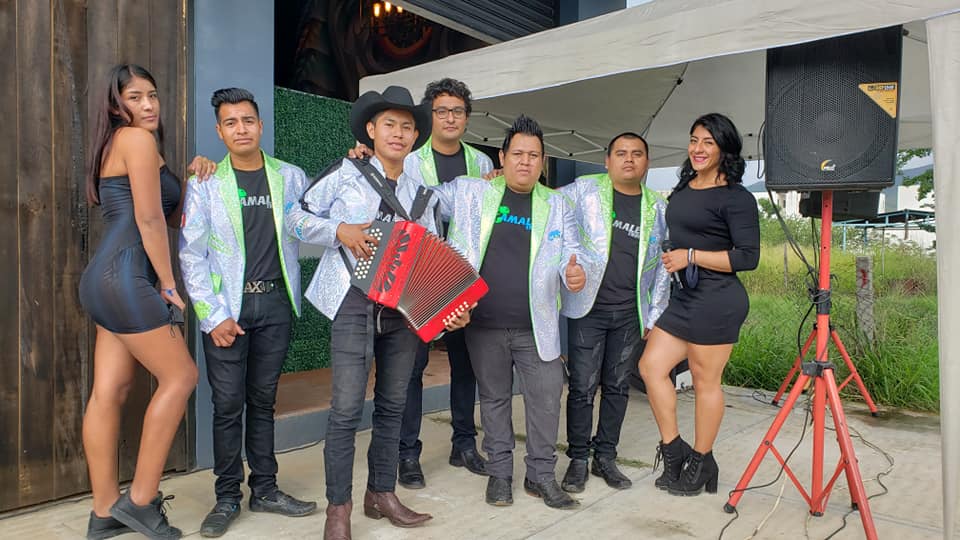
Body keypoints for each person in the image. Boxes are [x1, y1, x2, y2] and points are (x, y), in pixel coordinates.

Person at [288, 85, 469, 540]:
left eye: (407, 127)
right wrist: (339, 230)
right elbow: (295, 217)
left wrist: (449, 308)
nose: (399, 133)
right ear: (371, 129)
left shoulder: (423, 196)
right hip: (352, 302)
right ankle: (339, 508)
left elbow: (430, 258)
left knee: (393, 404)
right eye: (390, 124)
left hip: (402, 312)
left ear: (415, 137)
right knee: (346, 408)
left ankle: (381, 494)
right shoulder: (345, 172)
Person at [428, 115, 590, 510]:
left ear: (543, 161)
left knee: (546, 400)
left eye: (533, 155)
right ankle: (500, 474)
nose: (525, 162)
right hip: (483, 324)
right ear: (502, 157)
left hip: (537, 326)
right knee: (494, 399)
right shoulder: (472, 192)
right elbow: (418, 196)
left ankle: (541, 476)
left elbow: (574, 250)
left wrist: (576, 271)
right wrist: (373, 161)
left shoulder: (557, 204)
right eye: (518, 153)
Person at [179, 88, 318, 537]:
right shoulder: (205, 183)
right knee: (227, 405)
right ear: (220, 131)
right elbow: (191, 254)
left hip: (275, 303)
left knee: (263, 400)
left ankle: (266, 489)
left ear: (260, 125)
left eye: (248, 120)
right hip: (228, 311)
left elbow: (317, 220)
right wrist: (212, 315)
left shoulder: (290, 177)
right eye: (231, 122)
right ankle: (226, 497)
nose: (241, 129)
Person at [78, 64, 208, 540]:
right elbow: (150, 220)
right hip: (127, 278)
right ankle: (140, 501)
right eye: (135, 97)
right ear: (116, 105)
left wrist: (193, 177)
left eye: (152, 94)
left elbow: (173, 215)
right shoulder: (135, 140)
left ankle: (104, 512)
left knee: (109, 391)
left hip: (106, 279)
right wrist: (169, 284)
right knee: (181, 375)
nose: (149, 105)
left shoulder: (122, 144)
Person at [638, 113, 760, 496]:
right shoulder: (684, 188)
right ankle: (674, 451)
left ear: (724, 148)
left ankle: (702, 460)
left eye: (708, 142)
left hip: (718, 299)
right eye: (694, 140)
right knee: (650, 367)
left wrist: (691, 255)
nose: (698, 148)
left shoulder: (736, 198)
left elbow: (747, 257)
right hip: (685, 297)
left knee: (706, 381)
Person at [558, 132, 670, 493]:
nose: (629, 160)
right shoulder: (584, 190)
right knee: (582, 387)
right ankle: (578, 458)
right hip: (588, 309)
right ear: (607, 161)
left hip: (629, 313)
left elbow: (664, 266)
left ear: (647, 163)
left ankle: (605, 456)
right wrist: (502, 178)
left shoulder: (658, 207)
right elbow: (544, 201)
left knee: (618, 388)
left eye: (637, 154)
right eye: (621, 153)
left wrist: (654, 314)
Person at [397, 78, 494, 489]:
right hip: (421, 277)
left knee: (466, 364)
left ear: (467, 118)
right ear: (429, 116)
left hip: (466, 276)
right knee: (412, 367)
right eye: (441, 111)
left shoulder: (482, 163)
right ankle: (407, 453)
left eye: (457, 111)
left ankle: (464, 445)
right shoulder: (410, 161)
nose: (450, 118)